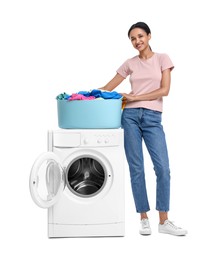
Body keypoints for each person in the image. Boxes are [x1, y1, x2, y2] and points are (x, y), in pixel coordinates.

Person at [100, 22, 187, 236]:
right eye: (132, 38)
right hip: (129, 117)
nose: (137, 41)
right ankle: (144, 218)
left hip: (152, 118)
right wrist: (82, 95)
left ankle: (164, 221)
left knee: (163, 169)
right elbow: (107, 87)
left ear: (149, 36)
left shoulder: (162, 59)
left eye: (140, 36)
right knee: (136, 169)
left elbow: (164, 91)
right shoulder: (130, 63)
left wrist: (135, 96)